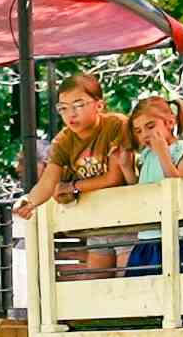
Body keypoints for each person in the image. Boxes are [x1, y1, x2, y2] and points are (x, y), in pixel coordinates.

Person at [12, 74, 128, 277]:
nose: (70, 114)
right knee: (98, 285)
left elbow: (114, 178)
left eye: (78, 105)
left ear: (99, 106)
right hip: (98, 223)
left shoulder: (116, 125)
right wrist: (30, 202)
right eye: (63, 108)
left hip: (129, 219)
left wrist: (73, 187)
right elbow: (49, 181)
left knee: (130, 280)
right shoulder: (63, 140)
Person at [119, 96, 183, 276]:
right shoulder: (145, 156)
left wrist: (163, 154)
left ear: (170, 122)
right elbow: (141, 191)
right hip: (146, 239)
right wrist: (127, 169)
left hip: (174, 238)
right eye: (138, 131)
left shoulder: (181, 148)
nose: (144, 134)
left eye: (150, 126)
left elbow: (176, 184)